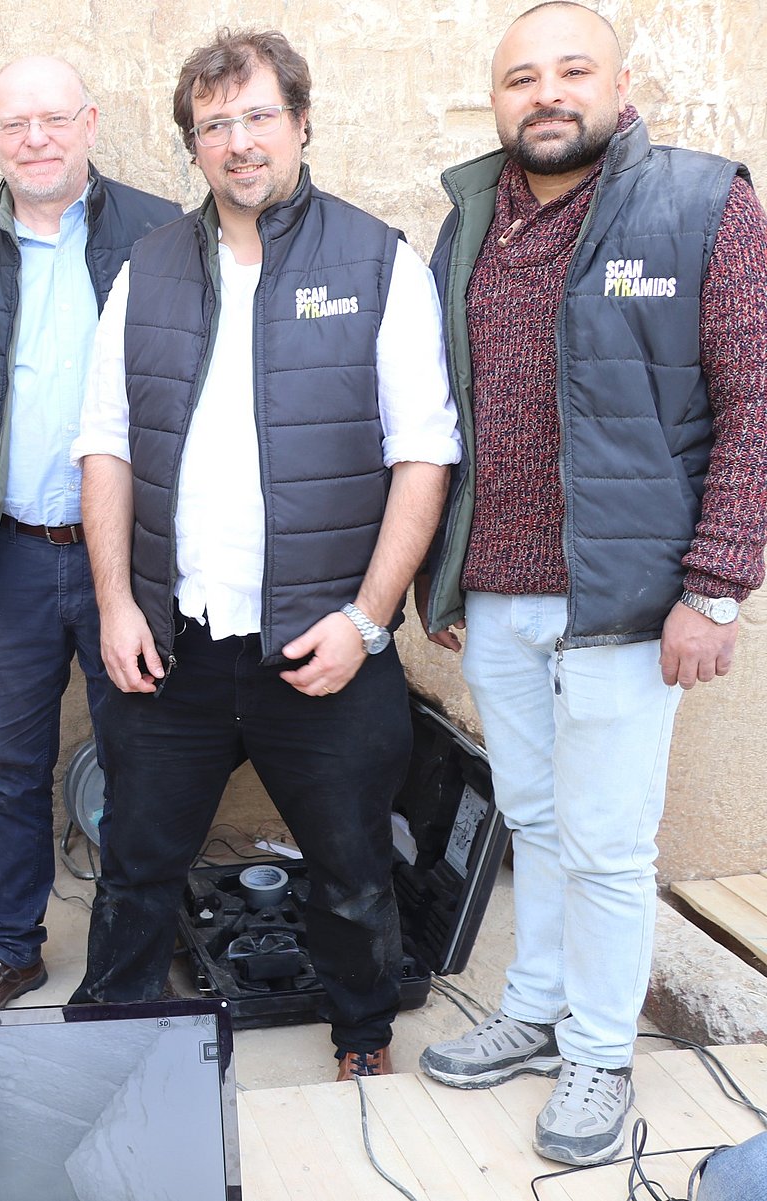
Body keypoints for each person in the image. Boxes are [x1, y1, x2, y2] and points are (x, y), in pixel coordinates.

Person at [69, 29, 461, 1080]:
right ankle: (110, 1046)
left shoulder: (376, 261)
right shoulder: (148, 269)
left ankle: (363, 1038)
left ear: (300, 122)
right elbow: (104, 444)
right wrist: (117, 604)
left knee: (351, 869)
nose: (239, 141)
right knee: (138, 864)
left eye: (258, 116)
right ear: (193, 145)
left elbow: (424, 455)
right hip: (175, 642)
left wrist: (366, 621)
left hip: (323, 643)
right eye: (214, 125)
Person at [416, 1, 767, 1167]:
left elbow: (755, 404)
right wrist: (447, 578)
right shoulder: (469, 223)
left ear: (621, 86)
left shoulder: (702, 203)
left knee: (610, 844)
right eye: (521, 78)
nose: (547, 94)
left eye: (573, 70)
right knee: (534, 820)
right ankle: (538, 1007)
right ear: (496, 100)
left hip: (624, 601)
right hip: (500, 597)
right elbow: (449, 415)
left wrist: (715, 589)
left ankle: (601, 1052)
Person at [0, 55, 177, 1012]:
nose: (37, 140)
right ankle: (13, 947)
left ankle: (134, 956)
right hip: (7, 560)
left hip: (127, 561)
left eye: (55, 119)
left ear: (91, 123)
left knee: (144, 761)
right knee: (9, 766)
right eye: (15, 124)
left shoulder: (163, 235)